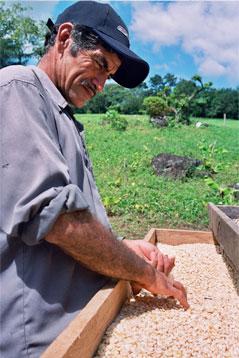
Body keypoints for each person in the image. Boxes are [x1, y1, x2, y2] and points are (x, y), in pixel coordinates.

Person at [0, 1, 189, 356]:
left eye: (110, 75)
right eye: (101, 64)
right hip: (39, 341)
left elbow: (73, 222)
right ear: (65, 38)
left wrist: (122, 249)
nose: (102, 84)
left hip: (80, 326)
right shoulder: (18, 89)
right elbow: (58, 220)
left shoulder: (65, 117)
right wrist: (145, 273)